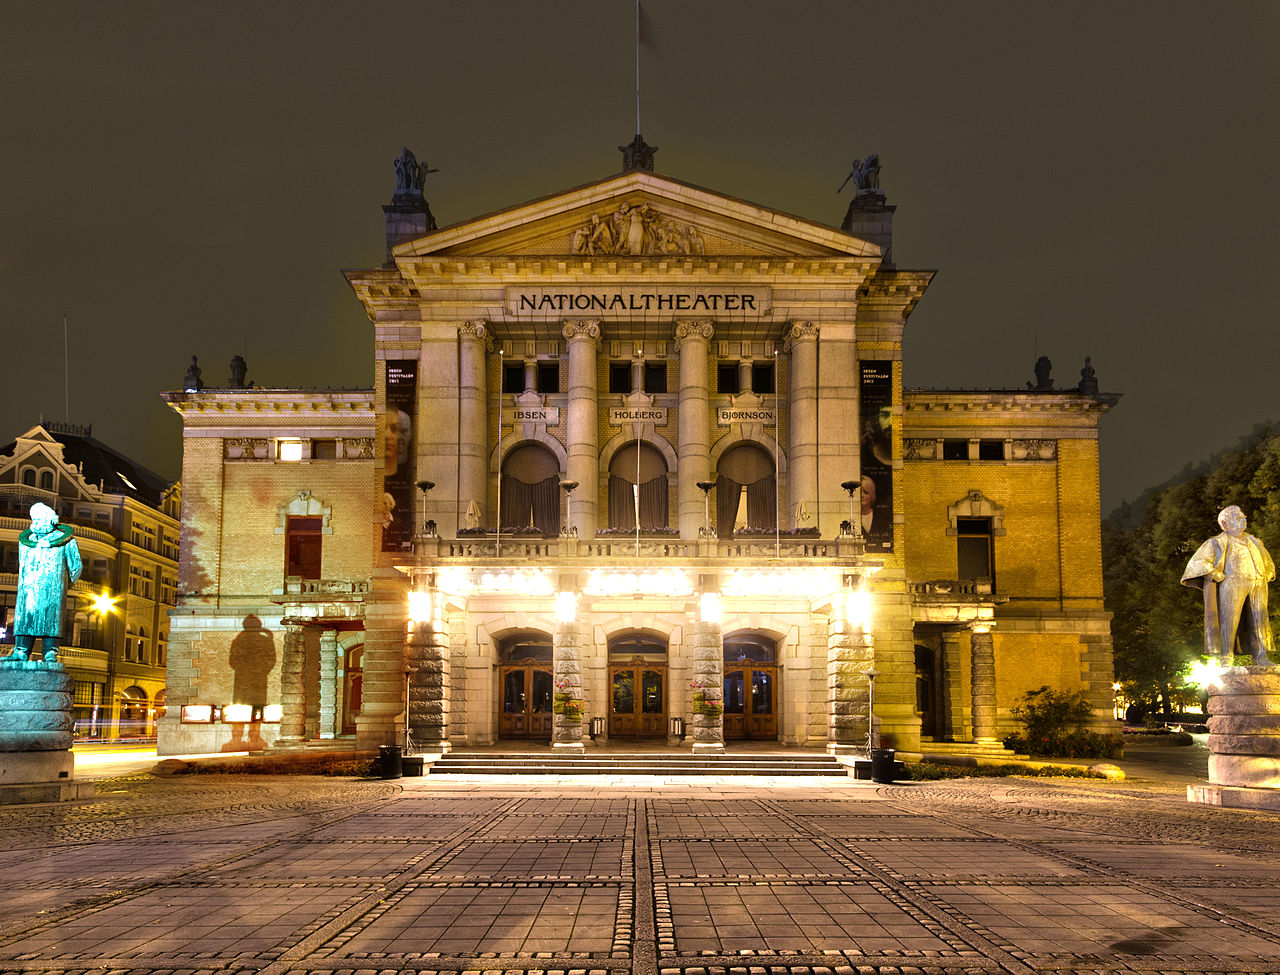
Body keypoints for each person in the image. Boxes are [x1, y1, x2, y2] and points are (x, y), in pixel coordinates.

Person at [1181, 505, 1275, 665]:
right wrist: (1216, 574)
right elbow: (1197, 562)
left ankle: (1261, 656)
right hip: (1232, 583)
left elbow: (1267, 561)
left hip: (1258, 582)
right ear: (1225, 523)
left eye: (1243, 516)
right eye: (1239, 517)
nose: (1244, 518)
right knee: (1229, 620)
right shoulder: (1217, 542)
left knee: (1260, 619)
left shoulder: (1255, 541)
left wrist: (1270, 571)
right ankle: (1227, 657)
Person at [13, 502, 83, 663]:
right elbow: (21, 564)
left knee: (51, 619)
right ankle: (21, 650)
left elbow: (76, 567)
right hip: (28, 591)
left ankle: (50, 651)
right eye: (34, 519)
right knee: (24, 618)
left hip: (53, 590)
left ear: (50, 519)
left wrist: (63, 586)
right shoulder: (26, 541)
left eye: (39, 518)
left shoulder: (66, 541)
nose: (36, 522)